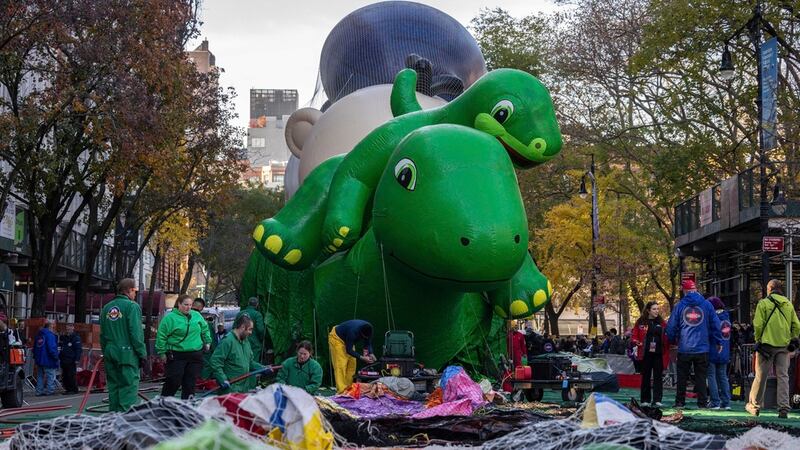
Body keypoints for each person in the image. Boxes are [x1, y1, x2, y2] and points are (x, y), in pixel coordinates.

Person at [747, 279, 800, 418]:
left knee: (761, 376)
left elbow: (758, 324)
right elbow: (796, 325)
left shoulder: (763, 303)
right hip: (784, 346)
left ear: (769, 289)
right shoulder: (788, 304)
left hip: (766, 346)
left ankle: (754, 406)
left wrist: (758, 340)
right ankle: (783, 408)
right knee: (783, 376)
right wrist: (793, 339)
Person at [666, 279, 722, 408]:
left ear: (684, 291)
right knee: (701, 377)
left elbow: (671, 327)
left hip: (684, 348)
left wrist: (672, 341)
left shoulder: (680, 306)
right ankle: (702, 403)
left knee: (682, 377)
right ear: (695, 289)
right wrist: (718, 341)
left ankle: (680, 402)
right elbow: (716, 325)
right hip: (702, 348)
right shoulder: (707, 305)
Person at [100, 278, 147, 412]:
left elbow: (102, 334)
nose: (135, 294)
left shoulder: (107, 308)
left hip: (110, 351)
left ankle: (113, 421)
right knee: (128, 388)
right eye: (135, 291)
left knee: (114, 388)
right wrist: (142, 353)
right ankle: (125, 422)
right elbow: (136, 333)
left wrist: (106, 351)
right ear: (130, 290)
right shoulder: (132, 306)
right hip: (127, 353)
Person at [156, 294, 212, 399]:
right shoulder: (170, 319)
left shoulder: (196, 315)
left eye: (190, 305)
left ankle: (187, 405)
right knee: (173, 381)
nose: (188, 307)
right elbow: (161, 336)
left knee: (190, 384)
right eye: (186, 305)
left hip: (195, 354)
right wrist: (162, 352)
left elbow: (205, 328)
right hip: (177, 354)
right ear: (179, 304)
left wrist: (207, 341)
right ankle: (164, 402)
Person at [209, 314, 271, 393]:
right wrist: (222, 379)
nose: (251, 332)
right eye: (249, 329)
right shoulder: (228, 341)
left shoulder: (245, 341)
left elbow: (250, 362)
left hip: (243, 388)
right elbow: (215, 361)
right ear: (242, 327)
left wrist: (262, 368)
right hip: (230, 389)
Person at [632, 301, 670, 407]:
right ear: (648, 310)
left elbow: (667, 335)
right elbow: (634, 335)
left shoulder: (662, 322)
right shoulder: (641, 322)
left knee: (658, 377)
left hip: (659, 354)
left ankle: (657, 400)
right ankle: (645, 400)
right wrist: (636, 342)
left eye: (657, 309)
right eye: (654, 309)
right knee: (646, 377)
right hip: (645, 354)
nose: (656, 311)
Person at [329, 319, 376, 392]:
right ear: (360, 333)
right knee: (341, 365)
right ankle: (341, 391)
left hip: (347, 339)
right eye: (363, 337)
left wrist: (371, 353)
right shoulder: (353, 332)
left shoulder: (369, 330)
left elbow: (367, 343)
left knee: (352, 364)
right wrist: (362, 358)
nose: (364, 339)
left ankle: (348, 389)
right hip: (337, 338)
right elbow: (349, 350)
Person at [705, 296, 731, 410]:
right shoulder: (727, 318)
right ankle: (726, 402)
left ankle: (715, 402)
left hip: (712, 350)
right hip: (725, 352)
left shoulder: (712, 318)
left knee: (711, 376)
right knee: (723, 377)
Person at [235, 297, 266, 363]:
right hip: (254, 343)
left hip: (240, 342)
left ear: (248, 303)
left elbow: (234, 328)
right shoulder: (257, 314)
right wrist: (261, 339)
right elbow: (260, 329)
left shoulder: (240, 313)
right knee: (252, 363)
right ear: (257, 304)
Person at [33, 319, 59, 396]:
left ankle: (39, 391)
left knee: (40, 375)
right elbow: (52, 348)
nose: (54, 327)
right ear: (51, 326)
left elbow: (35, 348)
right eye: (53, 325)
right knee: (50, 375)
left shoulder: (39, 335)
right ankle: (50, 390)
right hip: (48, 359)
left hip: (39, 359)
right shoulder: (50, 335)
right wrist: (56, 357)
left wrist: (36, 357)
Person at [59, 323, 82, 395]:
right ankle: (68, 389)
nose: (68, 330)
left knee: (71, 375)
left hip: (71, 359)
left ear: (73, 328)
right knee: (65, 375)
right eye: (67, 329)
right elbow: (62, 347)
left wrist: (77, 359)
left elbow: (78, 349)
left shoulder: (75, 337)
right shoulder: (64, 337)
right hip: (64, 359)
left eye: (69, 328)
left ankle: (73, 389)